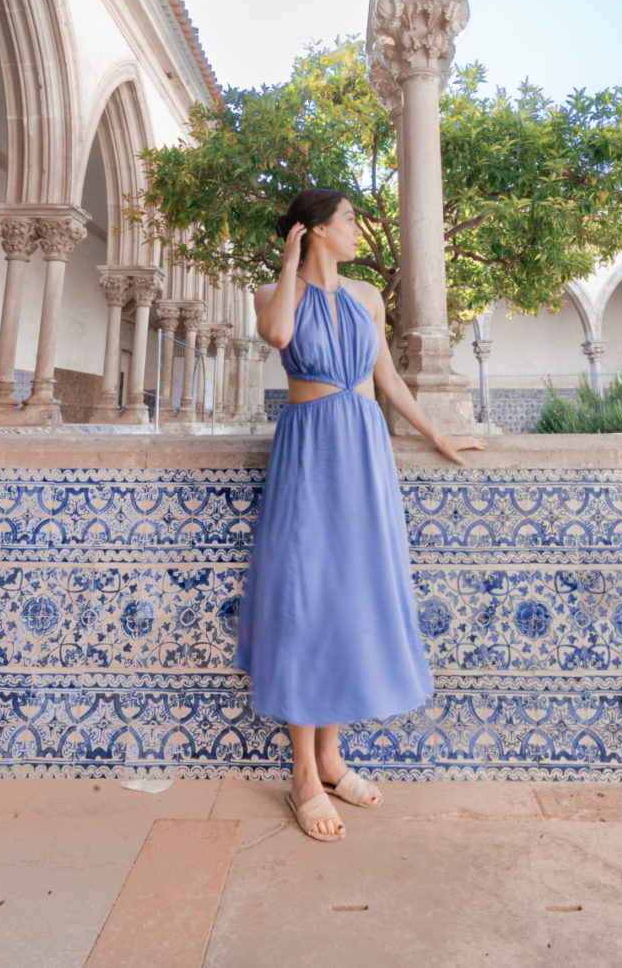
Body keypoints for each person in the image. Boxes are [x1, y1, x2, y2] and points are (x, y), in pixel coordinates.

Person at [232, 187, 485, 841]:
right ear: (315, 230)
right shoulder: (270, 292)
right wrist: (290, 262)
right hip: (310, 447)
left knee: (345, 600)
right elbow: (280, 334)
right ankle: (302, 776)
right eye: (346, 221)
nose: (357, 231)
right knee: (304, 600)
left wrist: (439, 435)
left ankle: (332, 756)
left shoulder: (368, 298)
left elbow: (390, 382)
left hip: (363, 450)